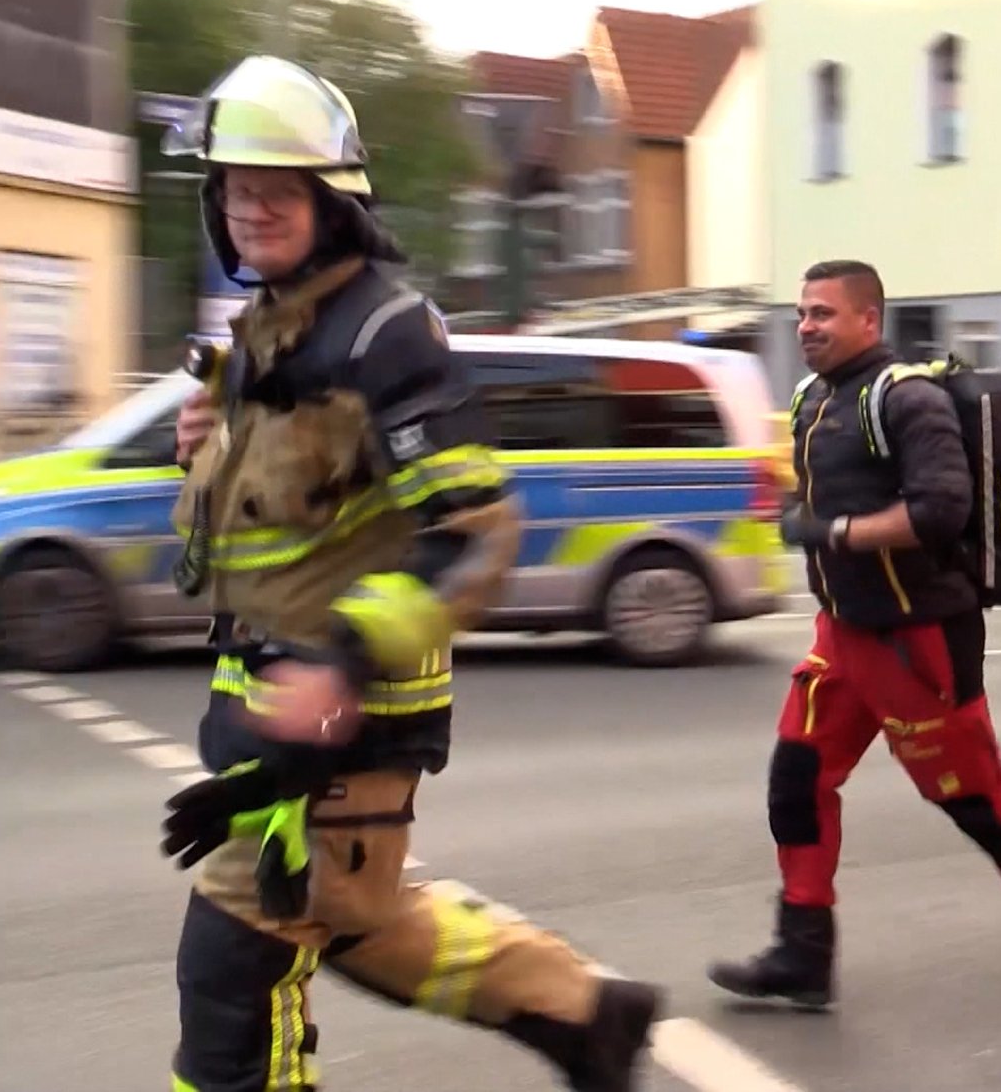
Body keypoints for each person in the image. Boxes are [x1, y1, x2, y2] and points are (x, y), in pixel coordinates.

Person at [158, 55, 661, 1092]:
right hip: (264, 695)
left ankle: (583, 1012)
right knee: (355, 921)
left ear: (330, 204)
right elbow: (276, 531)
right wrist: (204, 453)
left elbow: (470, 532)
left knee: (235, 985)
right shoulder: (262, 332)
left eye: (277, 189)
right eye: (235, 188)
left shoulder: (384, 329)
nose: (251, 207)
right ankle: (583, 1011)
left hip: (347, 709)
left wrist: (339, 665)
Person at [707, 259, 1001, 1018]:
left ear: (869, 319)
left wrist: (835, 530)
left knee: (973, 799)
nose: (807, 326)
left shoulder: (908, 398)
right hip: (844, 634)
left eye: (824, 313)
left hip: (916, 639)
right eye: (801, 313)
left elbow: (941, 510)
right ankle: (803, 953)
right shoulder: (814, 399)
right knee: (797, 779)